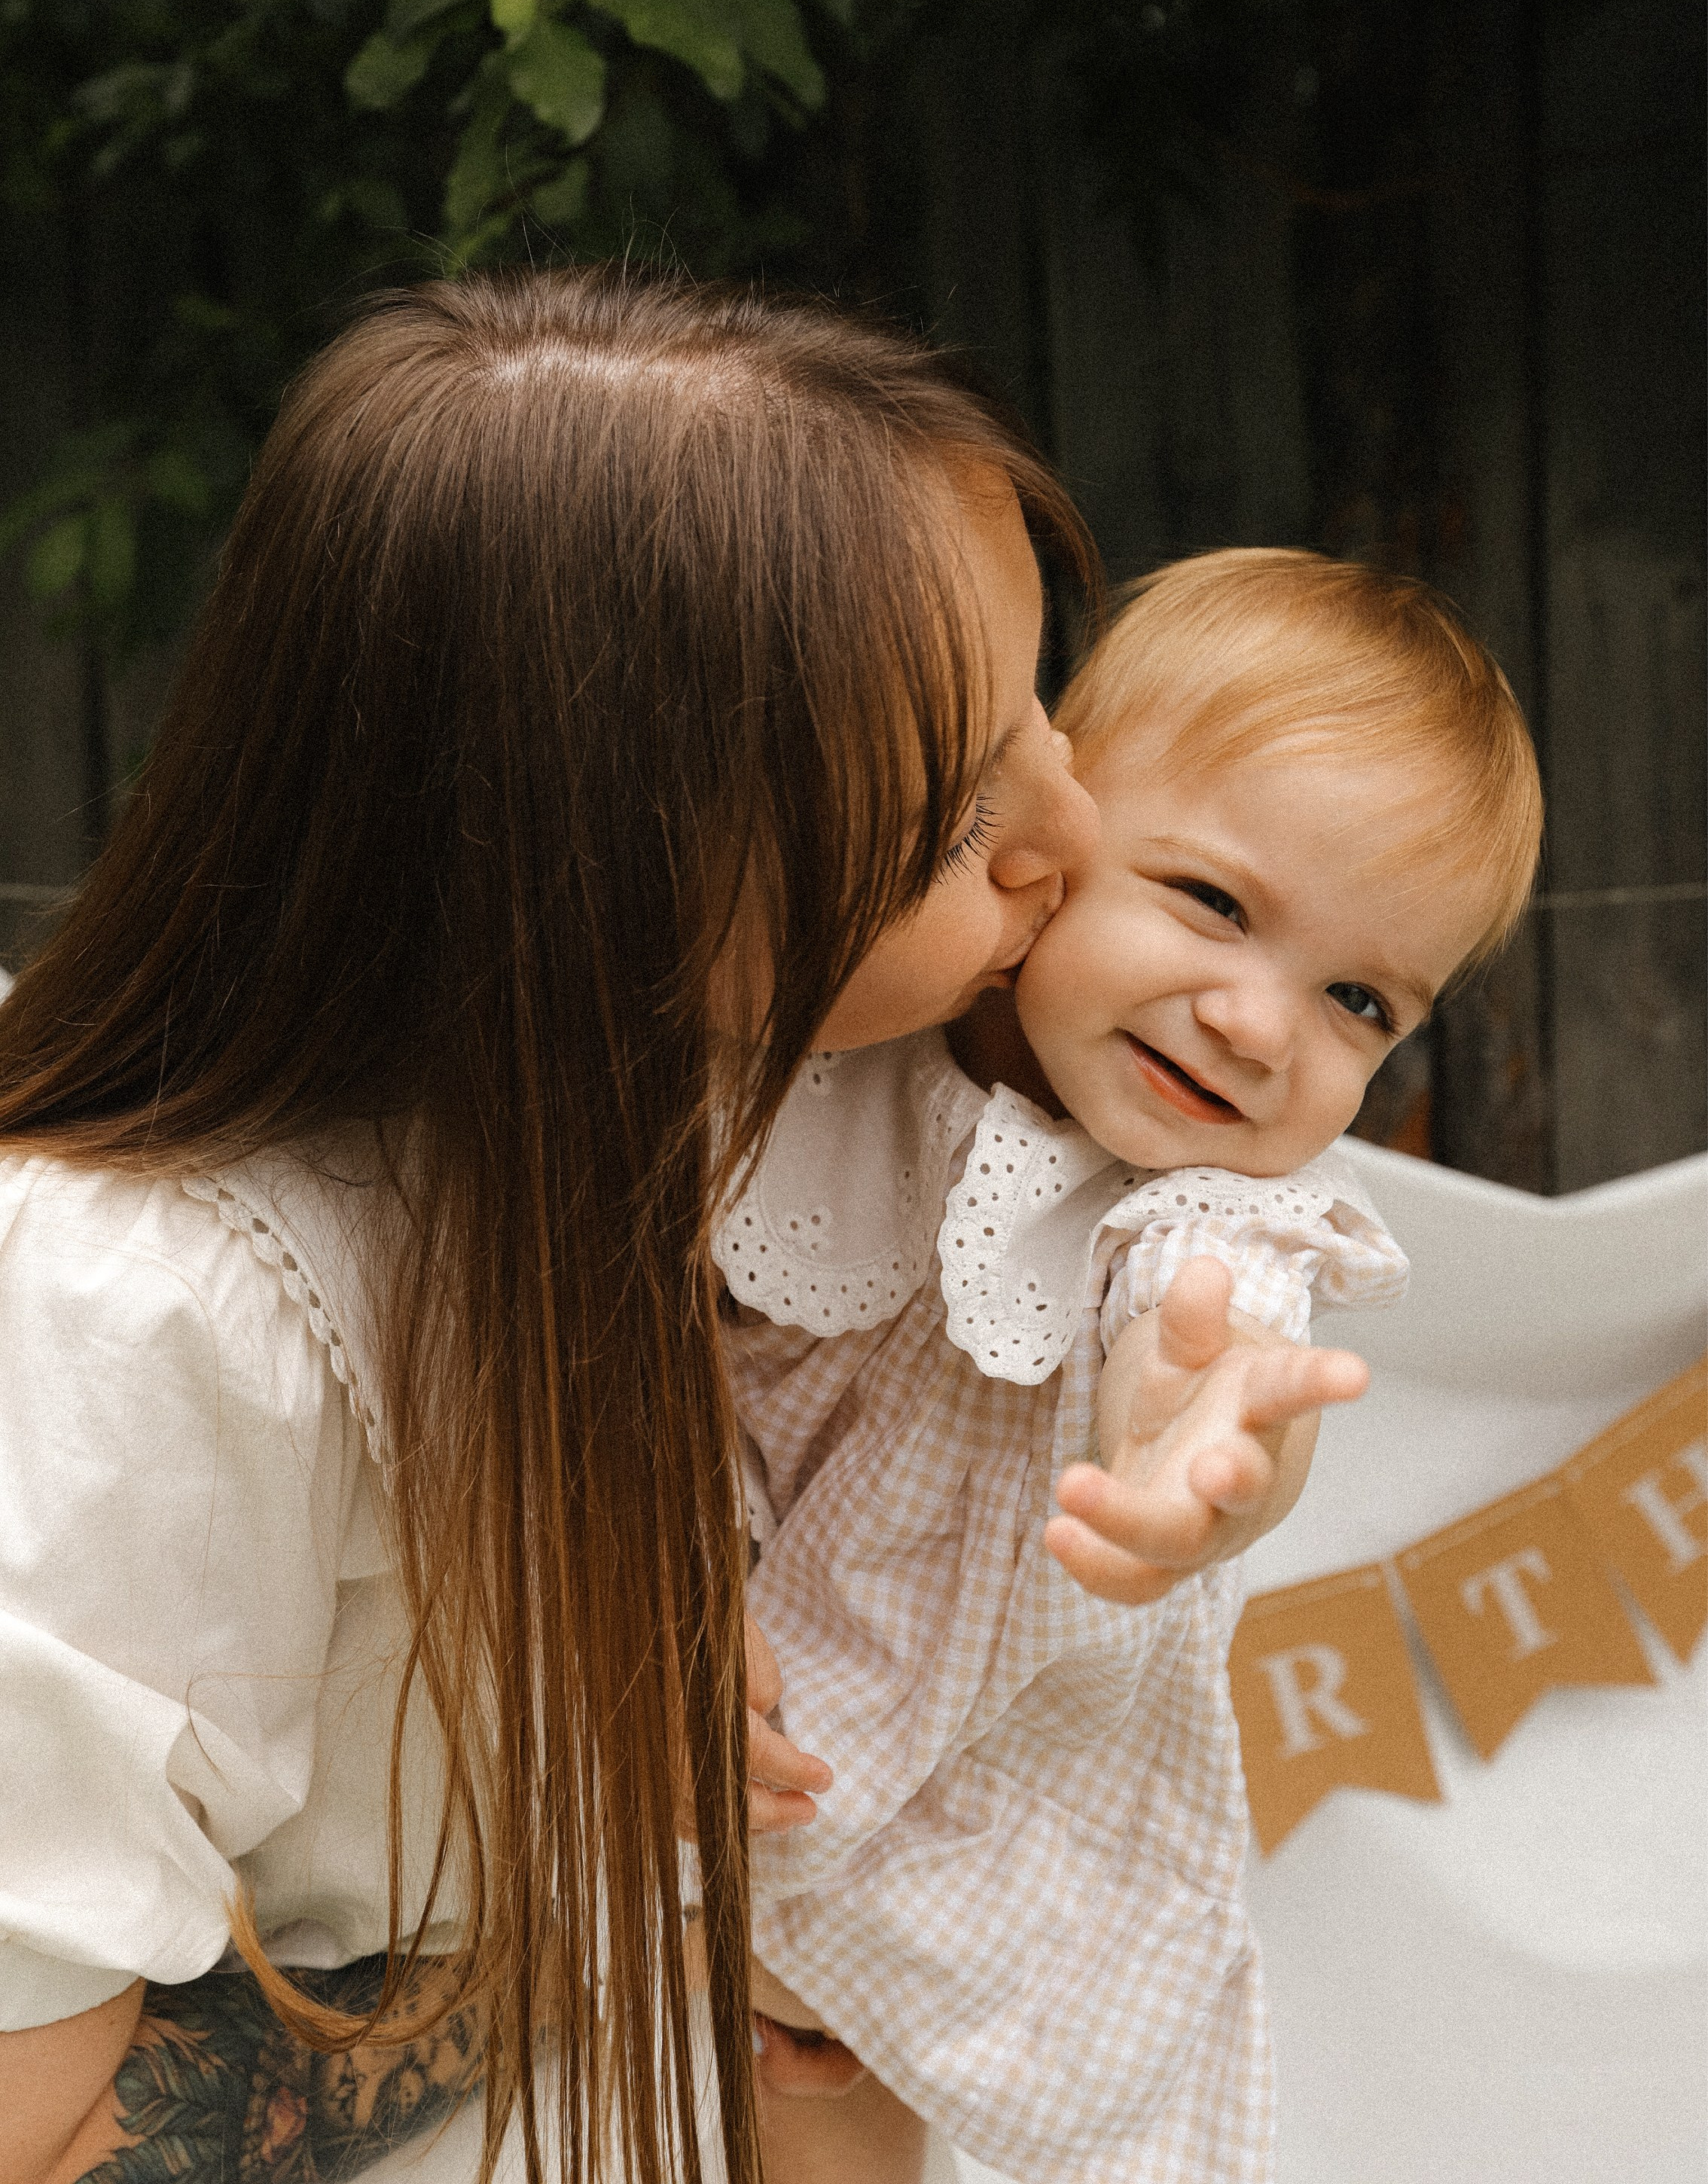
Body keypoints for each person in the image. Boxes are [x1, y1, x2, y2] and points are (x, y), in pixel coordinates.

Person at [0, 276, 1354, 2184]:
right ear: (614, 872)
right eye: (960, 813)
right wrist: (617, 1900)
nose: (1077, 832)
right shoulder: (148, 1319)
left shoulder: (688, 1125)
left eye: (1045, 709)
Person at [728, 549, 1544, 2183]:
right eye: (1216, 905)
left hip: (947, 1840)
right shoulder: (834, 1050)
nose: (1257, 1024)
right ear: (1053, 841)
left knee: (830, 2118)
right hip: (667, 1725)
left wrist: (1200, 1457)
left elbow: (1210, 1335)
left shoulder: (1210, 1212)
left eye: (1359, 999)